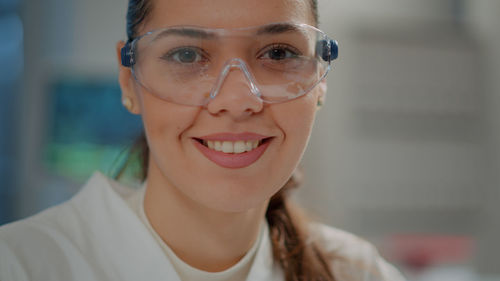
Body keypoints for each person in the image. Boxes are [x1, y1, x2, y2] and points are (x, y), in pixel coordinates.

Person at [0, 0, 406, 280]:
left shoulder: (356, 271)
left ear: (320, 81)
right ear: (129, 81)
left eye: (279, 54)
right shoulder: (19, 266)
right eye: (187, 56)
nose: (236, 101)